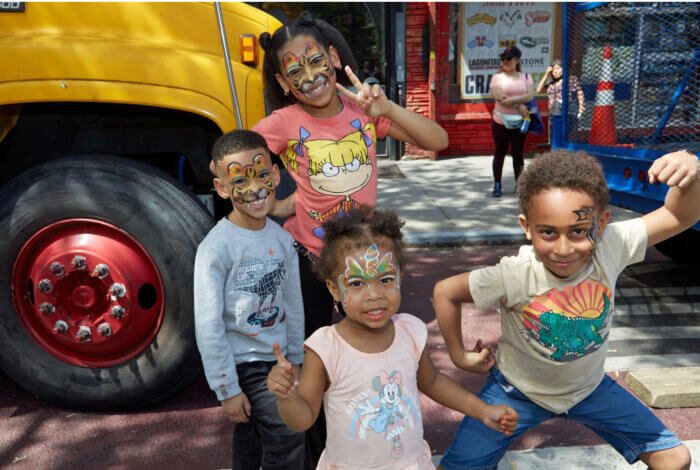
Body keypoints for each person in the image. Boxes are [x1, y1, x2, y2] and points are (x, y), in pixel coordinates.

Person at [253, 11, 448, 466]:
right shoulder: (282, 122)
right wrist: (276, 205)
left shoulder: (364, 112)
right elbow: (237, 166)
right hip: (311, 266)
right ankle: (326, 454)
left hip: (364, 265)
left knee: (371, 359)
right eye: (294, 70)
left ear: (334, 58)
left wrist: (386, 109)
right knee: (318, 366)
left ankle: (377, 443)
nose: (309, 76)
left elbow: (436, 138)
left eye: (315, 60)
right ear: (283, 82)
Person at [434, 150, 698, 470]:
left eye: (577, 231)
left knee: (675, 459)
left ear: (600, 224)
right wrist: (459, 355)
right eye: (548, 232)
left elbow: (680, 216)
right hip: (516, 391)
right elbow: (445, 291)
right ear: (527, 227)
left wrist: (692, 172)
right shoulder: (514, 274)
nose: (563, 249)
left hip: (589, 389)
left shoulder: (611, 244)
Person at [266, 207, 519, 470]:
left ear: (400, 276)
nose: (374, 294)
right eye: (356, 283)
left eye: (385, 279)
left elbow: (432, 382)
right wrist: (286, 397)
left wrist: (482, 411)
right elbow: (303, 419)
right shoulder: (325, 348)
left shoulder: (411, 331)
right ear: (334, 289)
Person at [194, 130, 305, 470]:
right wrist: (226, 388)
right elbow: (208, 324)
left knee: (253, 437)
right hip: (244, 365)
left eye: (261, 175)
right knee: (288, 431)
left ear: (275, 175)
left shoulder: (281, 240)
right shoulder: (216, 248)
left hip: (278, 359)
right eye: (240, 179)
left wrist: (296, 356)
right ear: (222, 188)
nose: (255, 189)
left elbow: (293, 302)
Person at [489, 45, 535, 198]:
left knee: (518, 154)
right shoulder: (497, 78)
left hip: (521, 122)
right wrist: (518, 105)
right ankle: (497, 184)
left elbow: (530, 95)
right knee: (499, 153)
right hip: (500, 121)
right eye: (502, 58)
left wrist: (515, 101)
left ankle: (519, 184)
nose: (505, 61)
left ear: (517, 60)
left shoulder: (526, 77)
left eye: (508, 58)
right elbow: (499, 97)